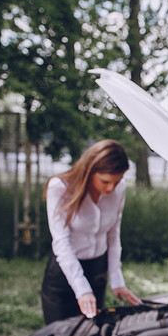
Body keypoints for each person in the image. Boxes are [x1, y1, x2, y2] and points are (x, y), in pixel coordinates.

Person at [41, 139, 142, 324]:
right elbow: (61, 242)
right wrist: (82, 289)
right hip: (65, 272)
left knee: (92, 334)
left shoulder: (119, 190)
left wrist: (117, 280)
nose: (111, 188)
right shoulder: (60, 188)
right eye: (105, 181)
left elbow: (113, 235)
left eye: (117, 181)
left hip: (97, 270)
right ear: (90, 170)